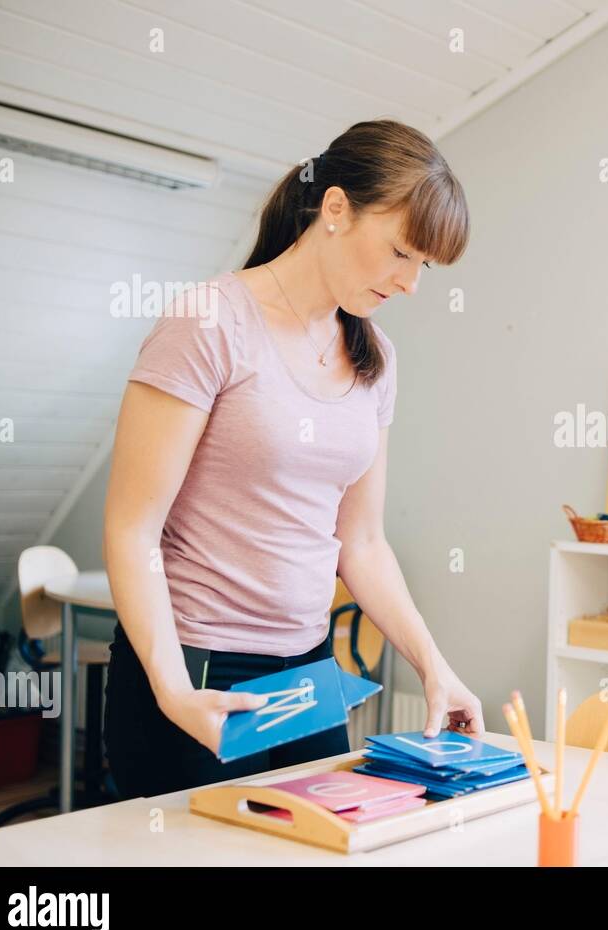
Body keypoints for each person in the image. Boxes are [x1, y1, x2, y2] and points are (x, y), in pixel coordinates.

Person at [102, 120, 480, 798]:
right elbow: (132, 529)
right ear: (335, 208)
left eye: (423, 264)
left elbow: (361, 543)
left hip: (307, 678)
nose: (411, 283)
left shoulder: (376, 359)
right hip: (199, 674)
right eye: (400, 251)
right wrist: (173, 690)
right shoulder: (210, 322)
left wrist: (434, 667)